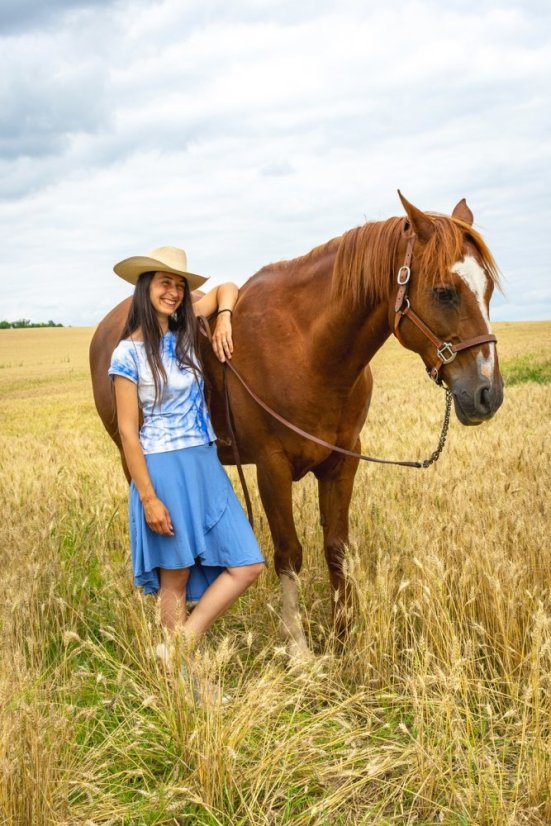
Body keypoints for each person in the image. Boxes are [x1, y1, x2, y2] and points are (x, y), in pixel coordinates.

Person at [108, 245, 265, 663]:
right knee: (173, 580)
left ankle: (177, 647)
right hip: (164, 469)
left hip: (204, 463)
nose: (174, 292)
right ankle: (180, 678)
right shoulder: (127, 353)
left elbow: (228, 287)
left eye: (179, 285)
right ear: (146, 288)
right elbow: (128, 431)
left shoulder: (187, 328)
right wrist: (148, 497)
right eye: (165, 283)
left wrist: (223, 319)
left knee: (247, 564)